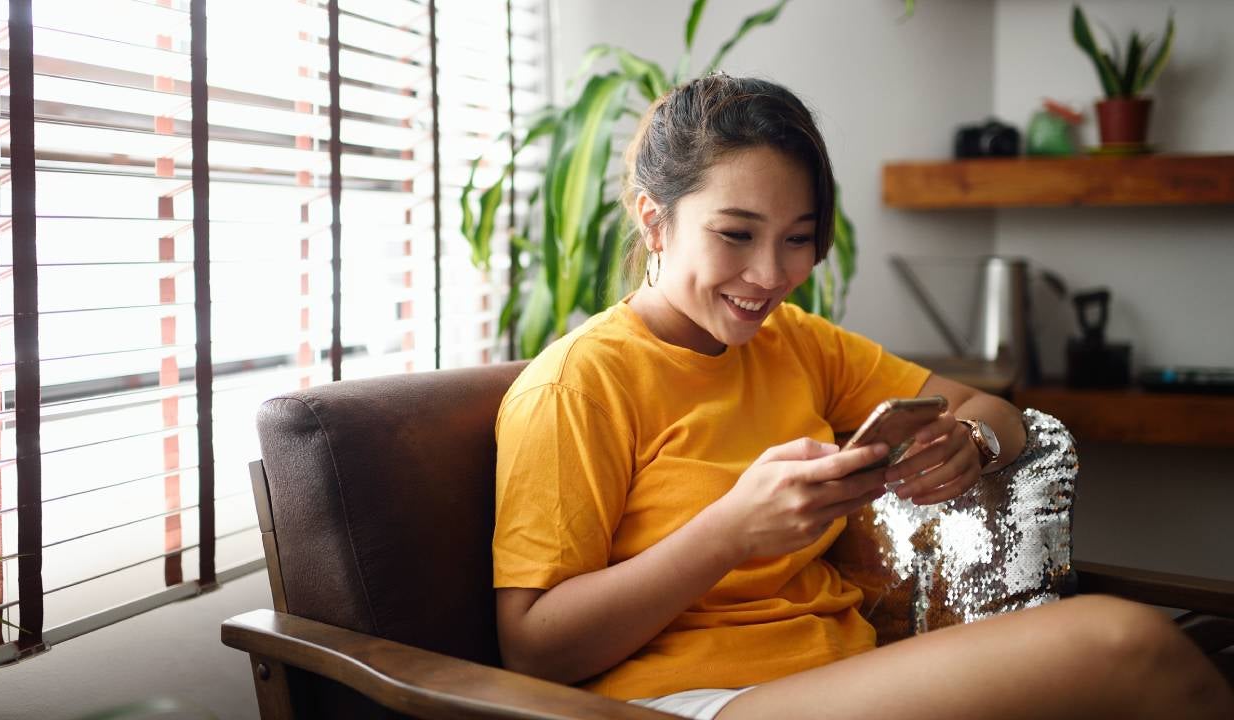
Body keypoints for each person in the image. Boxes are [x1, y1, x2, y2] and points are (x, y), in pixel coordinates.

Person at [491, 74, 1233, 720]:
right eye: (737, 234)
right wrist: (730, 532)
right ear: (655, 220)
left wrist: (972, 443)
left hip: (843, 672)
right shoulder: (576, 386)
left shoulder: (797, 343)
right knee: (1124, 645)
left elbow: (991, 409)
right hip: (687, 702)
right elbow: (534, 648)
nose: (769, 275)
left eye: (798, 239)